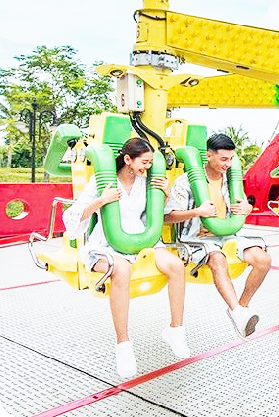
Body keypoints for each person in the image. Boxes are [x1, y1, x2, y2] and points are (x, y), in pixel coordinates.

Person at [63, 137, 190, 379]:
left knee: (176, 265)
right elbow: (73, 216)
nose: (148, 167)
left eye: (151, 162)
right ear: (128, 160)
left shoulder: (146, 182)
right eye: (144, 162)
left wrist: (165, 194)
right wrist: (102, 200)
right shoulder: (103, 181)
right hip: (107, 244)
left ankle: (175, 329)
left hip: (141, 240)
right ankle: (123, 345)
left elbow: (156, 215)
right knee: (121, 270)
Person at [165, 133, 272, 339]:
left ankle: (241, 308)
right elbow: (168, 217)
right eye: (223, 159)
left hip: (227, 236)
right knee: (217, 259)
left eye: (231, 159)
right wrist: (197, 212)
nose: (228, 164)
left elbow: (243, 206)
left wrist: (248, 208)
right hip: (197, 239)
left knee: (263, 260)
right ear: (209, 156)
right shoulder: (186, 181)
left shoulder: (231, 180)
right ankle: (237, 312)